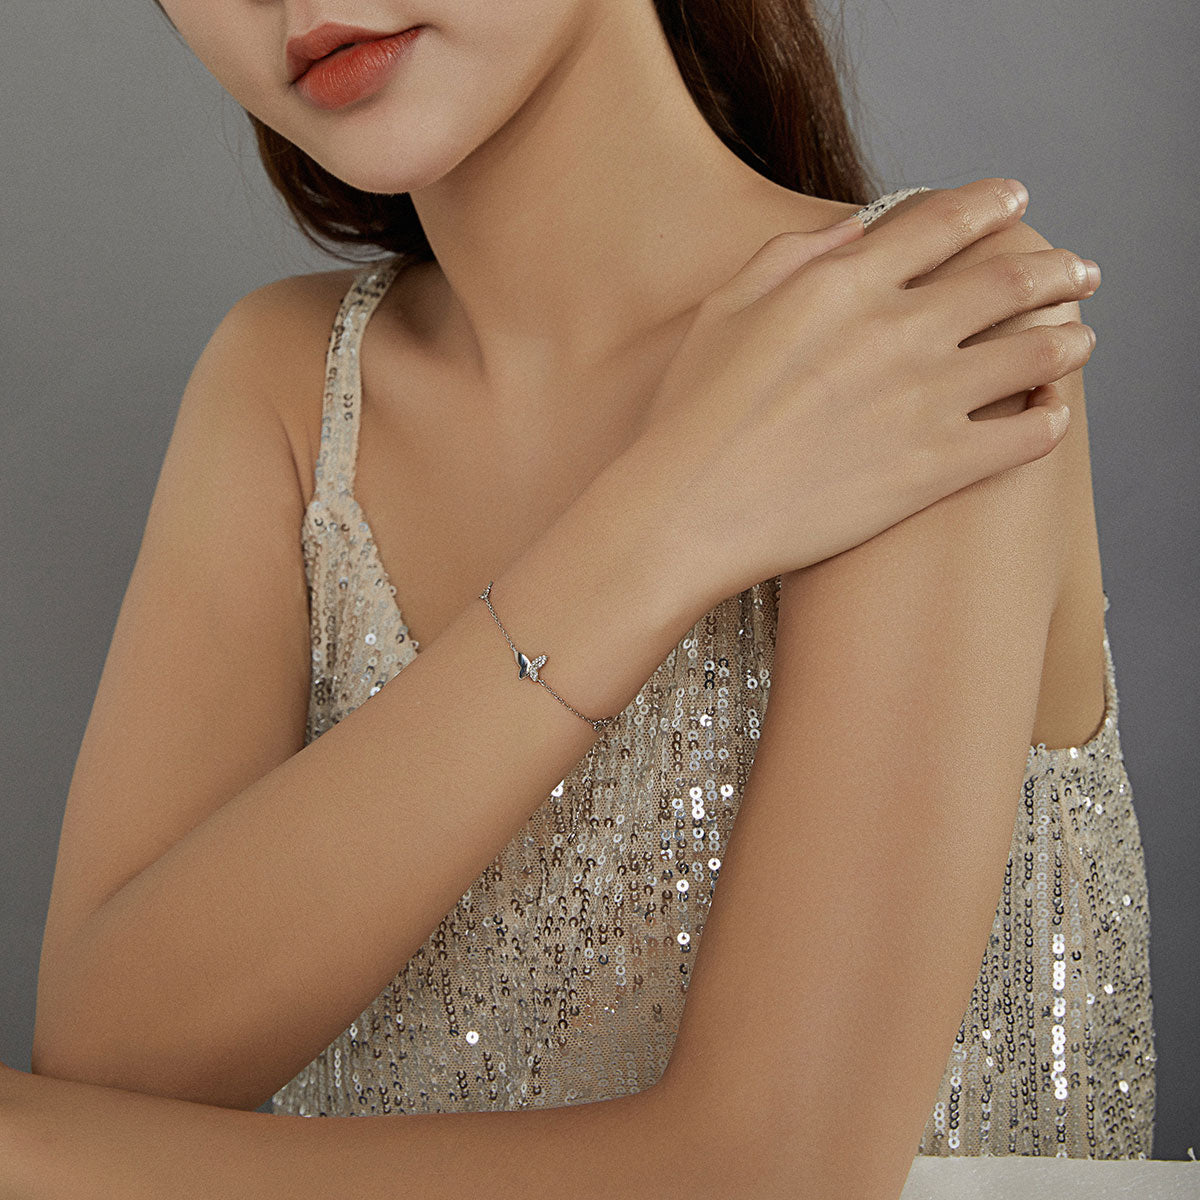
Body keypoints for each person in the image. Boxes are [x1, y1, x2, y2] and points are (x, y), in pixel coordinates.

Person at [1, 1, 1152, 1196]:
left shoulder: (915, 330)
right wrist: (660, 522)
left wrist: (34, 1152)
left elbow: (773, 1171)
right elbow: (111, 1064)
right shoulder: (289, 388)